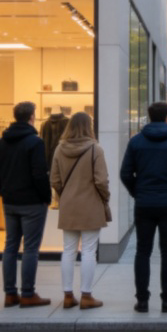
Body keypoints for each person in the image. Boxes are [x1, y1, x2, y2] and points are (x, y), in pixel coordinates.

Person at [120, 100, 167, 313]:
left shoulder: (136, 142)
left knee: (142, 251)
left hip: (144, 203)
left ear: (148, 116)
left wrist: (137, 192)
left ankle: (142, 300)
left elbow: (125, 173)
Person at [0, 101, 51, 308]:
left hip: (10, 201)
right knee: (31, 249)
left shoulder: (1, 142)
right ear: (32, 117)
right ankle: (28, 293)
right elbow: (39, 174)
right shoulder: (35, 142)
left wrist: (4, 191)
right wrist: (46, 197)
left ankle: (10, 294)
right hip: (32, 202)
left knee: (10, 247)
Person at [50, 112, 110, 310]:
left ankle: (68, 295)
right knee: (89, 251)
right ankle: (86, 295)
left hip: (69, 205)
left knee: (68, 250)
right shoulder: (95, 149)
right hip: (91, 205)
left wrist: (65, 195)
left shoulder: (60, 148)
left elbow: (55, 180)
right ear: (89, 126)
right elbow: (101, 180)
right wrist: (105, 197)